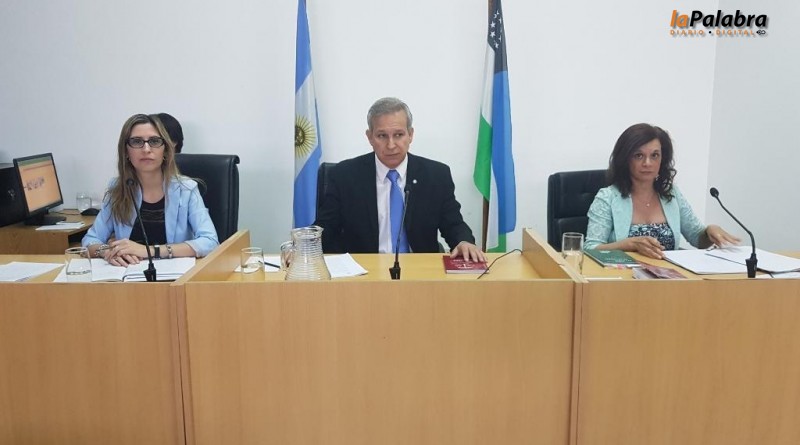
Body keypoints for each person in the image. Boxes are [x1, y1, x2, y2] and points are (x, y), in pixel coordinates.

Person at [314, 97, 485, 262]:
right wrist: (305, 246)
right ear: (370, 137)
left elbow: (453, 223)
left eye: (398, 135)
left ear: (410, 134)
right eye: (382, 136)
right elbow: (325, 228)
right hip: (365, 272)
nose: (391, 145)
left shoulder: (435, 175)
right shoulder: (345, 176)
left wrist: (464, 241)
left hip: (420, 271)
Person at [585, 123, 739, 259]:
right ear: (625, 159)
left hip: (668, 277)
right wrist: (629, 244)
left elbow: (697, 238)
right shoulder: (607, 197)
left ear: (662, 159)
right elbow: (590, 249)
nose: (647, 163)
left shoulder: (671, 194)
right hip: (623, 277)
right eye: (639, 156)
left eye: (655, 155)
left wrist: (710, 232)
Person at [82, 114, 218, 266]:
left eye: (154, 141)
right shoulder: (118, 189)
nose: (146, 149)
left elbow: (210, 242)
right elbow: (90, 240)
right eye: (136, 142)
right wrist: (107, 252)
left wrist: (150, 251)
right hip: (127, 274)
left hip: (174, 276)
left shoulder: (186, 189)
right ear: (126, 151)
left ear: (165, 150)